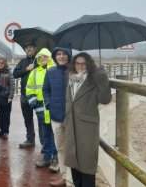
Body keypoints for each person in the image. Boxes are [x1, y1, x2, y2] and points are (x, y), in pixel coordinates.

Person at [64, 52, 112, 187]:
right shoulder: (71, 78)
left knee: (86, 164)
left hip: (87, 127)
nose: (80, 66)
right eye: (77, 63)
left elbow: (105, 99)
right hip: (71, 124)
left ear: (89, 64)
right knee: (73, 161)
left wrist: (103, 79)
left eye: (83, 64)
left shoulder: (94, 79)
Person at [43, 47, 72, 187]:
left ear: (69, 55)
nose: (61, 57)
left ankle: (73, 179)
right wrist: (49, 104)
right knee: (60, 148)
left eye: (64, 54)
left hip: (72, 117)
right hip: (55, 116)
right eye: (58, 54)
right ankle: (65, 177)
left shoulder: (74, 71)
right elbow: (45, 90)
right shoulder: (51, 72)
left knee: (72, 148)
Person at [26, 49, 57, 168]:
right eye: (41, 57)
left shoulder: (55, 70)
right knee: (45, 134)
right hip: (40, 109)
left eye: (46, 56)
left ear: (50, 57)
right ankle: (47, 158)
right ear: (38, 59)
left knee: (56, 134)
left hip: (53, 108)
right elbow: (29, 88)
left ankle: (56, 158)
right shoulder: (34, 72)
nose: (43, 58)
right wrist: (33, 101)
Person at [13, 41, 40, 148]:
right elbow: (15, 74)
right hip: (25, 95)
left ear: (35, 49)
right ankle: (30, 139)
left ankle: (45, 144)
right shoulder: (22, 61)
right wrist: (26, 69)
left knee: (42, 120)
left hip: (38, 95)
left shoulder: (40, 61)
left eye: (31, 47)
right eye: (27, 48)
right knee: (27, 119)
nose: (28, 49)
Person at [0, 57, 15, 139]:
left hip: (6, 97)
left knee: (6, 115)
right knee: (1, 115)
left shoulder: (9, 72)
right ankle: (1, 130)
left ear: (5, 64)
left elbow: (12, 85)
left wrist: (10, 96)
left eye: (2, 63)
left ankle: (6, 132)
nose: (0, 64)